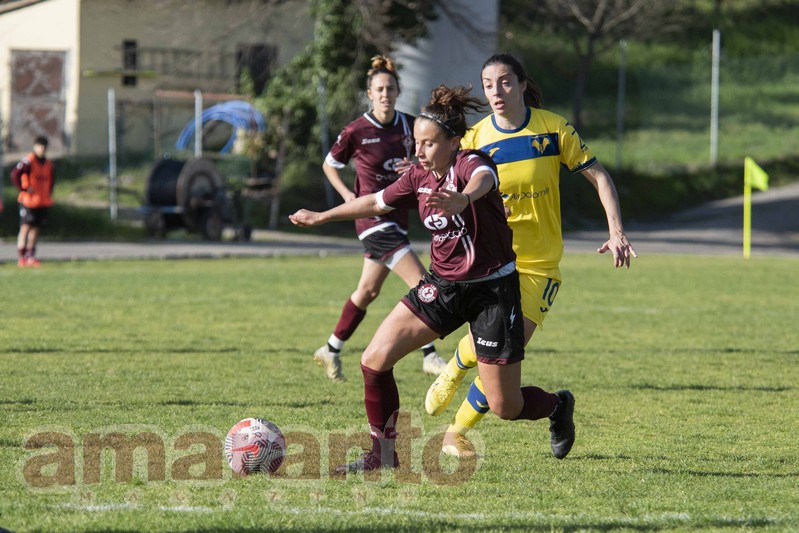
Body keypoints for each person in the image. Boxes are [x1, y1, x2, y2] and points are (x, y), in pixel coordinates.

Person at [290, 84, 575, 473]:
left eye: (427, 144)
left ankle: (558, 405)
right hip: (443, 287)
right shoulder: (418, 176)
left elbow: (484, 178)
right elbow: (376, 201)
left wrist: (464, 198)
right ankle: (383, 455)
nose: (418, 152)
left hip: (492, 292)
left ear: (454, 142)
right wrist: (322, 216)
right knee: (374, 360)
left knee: (505, 406)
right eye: (416, 143)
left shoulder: (471, 163)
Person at [425, 53, 638, 458]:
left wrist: (616, 231)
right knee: (495, 351)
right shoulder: (475, 139)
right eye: (488, 84)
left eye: (505, 82)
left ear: (522, 85)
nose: (497, 91)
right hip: (492, 263)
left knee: (501, 355)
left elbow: (599, 176)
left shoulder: (553, 129)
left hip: (539, 266)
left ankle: (455, 422)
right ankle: (456, 386)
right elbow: (444, 182)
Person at [312, 55, 446, 382]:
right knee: (423, 284)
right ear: (370, 94)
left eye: (391, 88)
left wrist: (416, 167)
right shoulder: (356, 130)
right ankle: (430, 355)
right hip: (373, 221)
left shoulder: (410, 126)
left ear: (399, 92)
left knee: (367, 291)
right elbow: (330, 164)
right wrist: (347, 195)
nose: (385, 94)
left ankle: (330, 349)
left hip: (398, 218)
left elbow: (428, 161)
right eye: (379, 89)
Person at [10, 136, 55, 268]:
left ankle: (30, 256)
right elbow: (15, 174)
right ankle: (22, 256)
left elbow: (51, 181)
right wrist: (23, 188)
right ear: (35, 147)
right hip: (28, 201)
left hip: (41, 201)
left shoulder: (48, 164)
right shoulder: (28, 161)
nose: (42, 149)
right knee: (25, 227)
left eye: (44, 146)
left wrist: (49, 193)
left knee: (36, 228)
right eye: (40, 146)